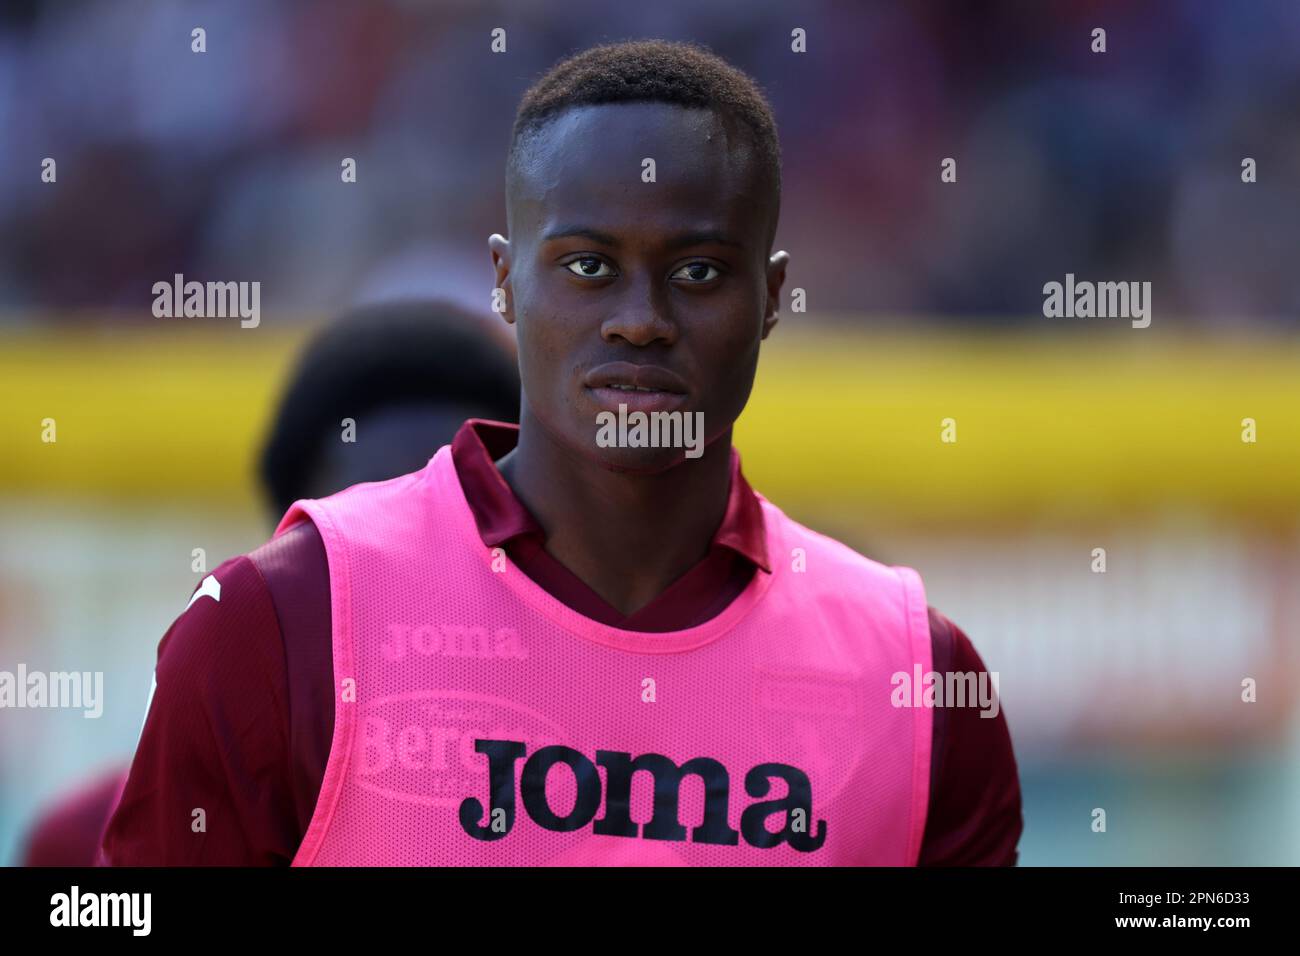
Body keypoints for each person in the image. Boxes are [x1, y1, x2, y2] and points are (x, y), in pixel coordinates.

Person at [101, 39, 1021, 866]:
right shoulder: (283, 619)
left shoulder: (919, 684)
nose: (640, 320)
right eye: (587, 265)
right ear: (504, 280)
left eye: (697, 271)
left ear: (773, 295)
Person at [19, 298, 516, 866]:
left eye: (454, 516)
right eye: (377, 525)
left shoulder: (574, 788)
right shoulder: (81, 841)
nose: (419, 561)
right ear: (292, 538)